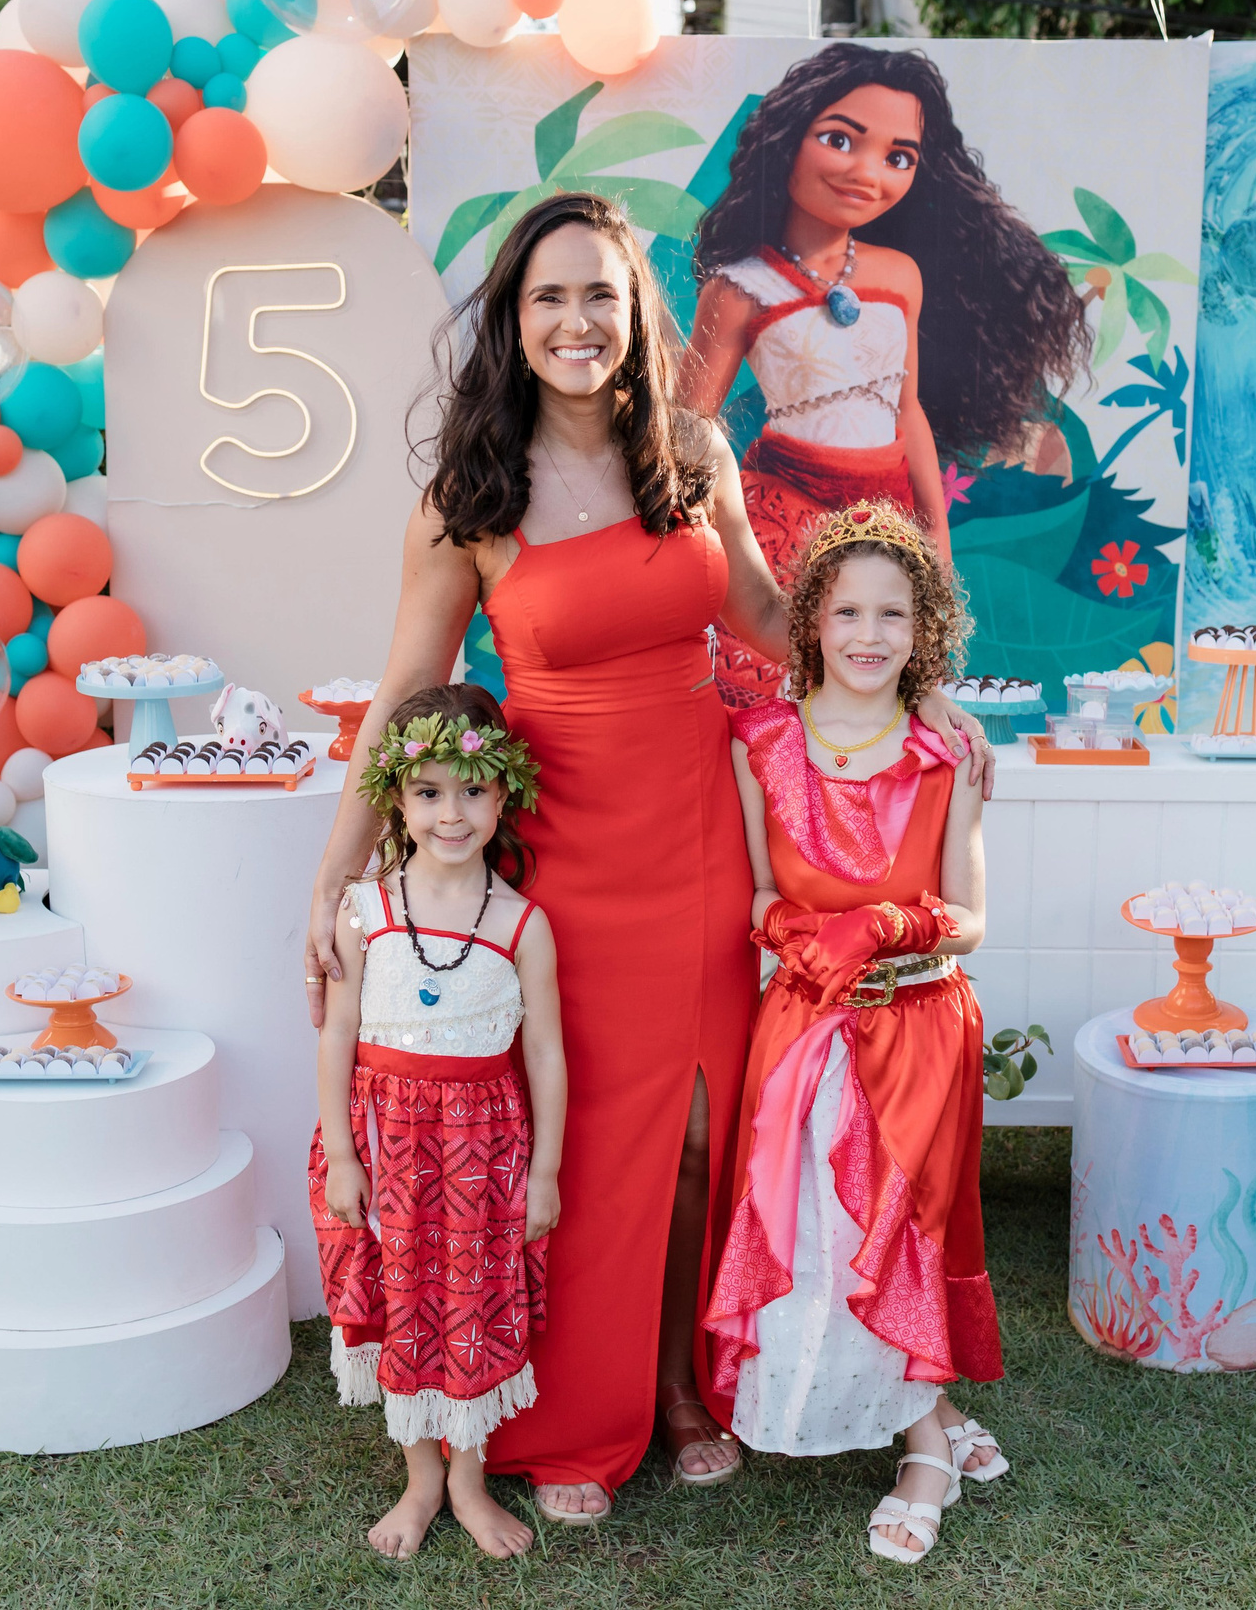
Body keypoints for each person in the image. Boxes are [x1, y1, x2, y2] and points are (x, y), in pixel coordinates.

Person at [304, 191, 994, 1525]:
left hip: (704, 831)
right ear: (513, 319)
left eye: (601, 296)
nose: (577, 321)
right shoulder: (468, 501)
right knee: (587, 1130)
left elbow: (771, 616)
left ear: (636, 314)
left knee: (700, 1130)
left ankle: (682, 1383)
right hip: (561, 855)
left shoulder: (693, 451)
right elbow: (403, 697)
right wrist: (334, 878)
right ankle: (575, 1408)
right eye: (549, 297)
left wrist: (919, 694)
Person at [705, 499, 1008, 1564]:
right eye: (846, 612)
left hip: (915, 1025)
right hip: (802, 1024)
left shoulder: (944, 752)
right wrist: (794, 929)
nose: (868, 635)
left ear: (924, 630)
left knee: (896, 1230)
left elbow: (969, 918)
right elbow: (755, 893)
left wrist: (888, 922)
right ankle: (916, 1408)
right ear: (810, 623)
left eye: (893, 615)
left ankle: (925, 1447)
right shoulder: (760, 744)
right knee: (817, 1230)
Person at [683, 42, 1090, 708]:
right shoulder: (739, 289)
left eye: (898, 157)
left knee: (882, 703)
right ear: (787, 140)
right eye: (840, 140)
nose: (867, 174)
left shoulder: (900, 276)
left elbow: (907, 409)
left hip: (888, 522)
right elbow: (687, 435)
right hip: (784, 516)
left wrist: (936, 535)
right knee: (782, 702)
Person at [310, 683, 563, 1561]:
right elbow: (338, 1033)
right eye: (428, 791)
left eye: (472, 789)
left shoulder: (523, 923)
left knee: (467, 1309)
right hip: (384, 1148)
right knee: (401, 1304)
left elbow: (546, 1053)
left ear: (504, 792)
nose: (451, 813)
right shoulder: (366, 911)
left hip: (480, 1157)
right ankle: (420, 1476)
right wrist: (345, 1157)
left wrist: (544, 1171)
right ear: (396, 796)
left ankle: (467, 1478)